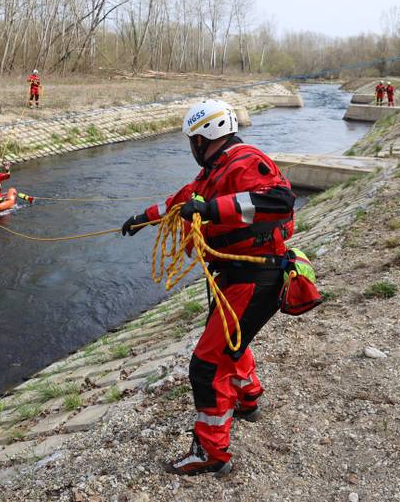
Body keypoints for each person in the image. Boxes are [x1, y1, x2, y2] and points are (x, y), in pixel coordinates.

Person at [121, 99, 296, 476]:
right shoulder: (216, 171)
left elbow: (279, 201)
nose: (191, 149)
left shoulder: (245, 161)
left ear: (204, 138)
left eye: (192, 141)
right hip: (232, 278)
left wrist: (211, 211)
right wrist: (141, 219)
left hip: (253, 278)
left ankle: (211, 453)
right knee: (231, 345)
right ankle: (248, 400)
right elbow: (181, 201)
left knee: (206, 363)